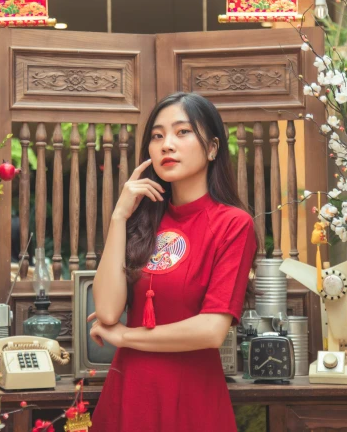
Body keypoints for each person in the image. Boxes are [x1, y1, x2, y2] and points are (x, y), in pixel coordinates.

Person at [88, 92, 257, 432]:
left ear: (212, 148)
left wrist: (125, 337)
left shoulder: (233, 224)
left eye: (182, 132)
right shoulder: (140, 222)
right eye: (157, 135)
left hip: (191, 395)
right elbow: (106, 312)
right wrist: (119, 217)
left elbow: (211, 331)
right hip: (130, 392)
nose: (167, 145)